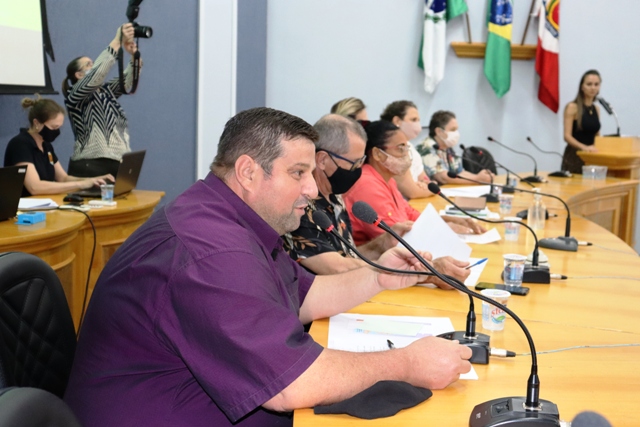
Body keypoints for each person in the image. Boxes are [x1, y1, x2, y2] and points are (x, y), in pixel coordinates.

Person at [64, 107, 472, 427]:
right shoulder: (212, 251)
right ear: (247, 171)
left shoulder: (233, 218)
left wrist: (381, 275)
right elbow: (292, 386)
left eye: (311, 173)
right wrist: (407, 363)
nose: (312, 189)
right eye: (298, 173)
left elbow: (305, 296)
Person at [284, 114, 470, 288]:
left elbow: (349, 256)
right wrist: (424, 273)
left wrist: (381, 244)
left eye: (361, 162)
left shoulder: (334, 195)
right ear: (323, 160)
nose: (358, 170)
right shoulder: (300, 205)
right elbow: (337, 268)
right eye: (354, 164)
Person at [343, 120, 486, 247]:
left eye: (407, 148)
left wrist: (449, 220)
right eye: (401, 148)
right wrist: (443, 229)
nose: (406, 154)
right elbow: (396, 239)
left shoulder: (388, 179)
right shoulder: (367, 184)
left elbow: (410, 216)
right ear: (377, 154)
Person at [62, 23, 140, 178]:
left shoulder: (106, 92)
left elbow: (128, 80)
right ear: (78, 75)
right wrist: (117, 40)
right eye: (89, 64)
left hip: (117, 161)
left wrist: (134, 55)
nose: (94, 66)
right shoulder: (75, 95)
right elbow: (97, 74)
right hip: (90, 164)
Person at [3, 96, 113, 197]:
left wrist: (94, 180)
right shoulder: (20, 145)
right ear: (36, 123)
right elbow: (34, 187)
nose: (57, 132)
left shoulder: (46, 146)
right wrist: (82, 184)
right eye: (54, 127)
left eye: (59, 127)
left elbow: (63, 178)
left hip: (45, 204)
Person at [416, 110, 494, 185]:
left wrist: (482, 178)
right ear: (439, 131)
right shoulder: (427, 147)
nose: (456, 133)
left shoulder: (447, 147)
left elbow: (460, 172)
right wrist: (477, 179)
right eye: (453, 130)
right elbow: (442, 177)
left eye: (457, 129)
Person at [380, 100, 434, 199]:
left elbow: (426, 180)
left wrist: (425, 186)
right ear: (397, 121)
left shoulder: (410, 146)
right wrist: (429, 189)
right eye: (413, 120)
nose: (418, 125)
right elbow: (412, 192)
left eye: (418, 120)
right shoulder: (390, 149)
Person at [561, 70, 602, 174]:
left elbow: (596, 133)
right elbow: (567, 136)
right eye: (589, 84)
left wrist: (602, 146)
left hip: (592, 156)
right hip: (575, 155)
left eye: (596, 84)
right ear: (582, 87)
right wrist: (584, 147)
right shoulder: (573, 107)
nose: (593, 88)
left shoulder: (596, 109)